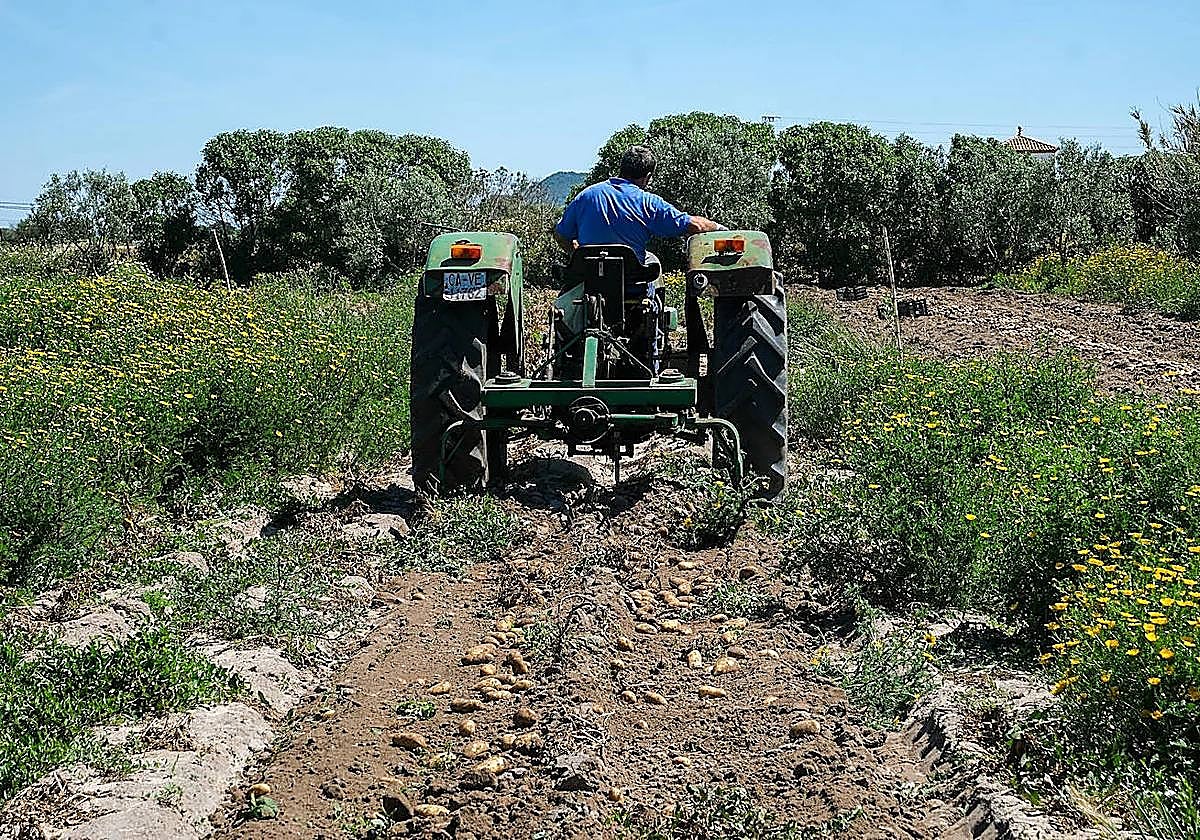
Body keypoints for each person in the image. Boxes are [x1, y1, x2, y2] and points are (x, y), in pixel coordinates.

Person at [551, 145, 725, 284]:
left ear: (622, 168)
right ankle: (653, 325)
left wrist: (576, 254)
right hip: (631, 286)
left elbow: (560, 234)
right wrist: (721, 229)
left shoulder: (586, 195)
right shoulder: (648, 203)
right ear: (647, 177)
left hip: (589, 281)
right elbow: (695, 225)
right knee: (653, 261)